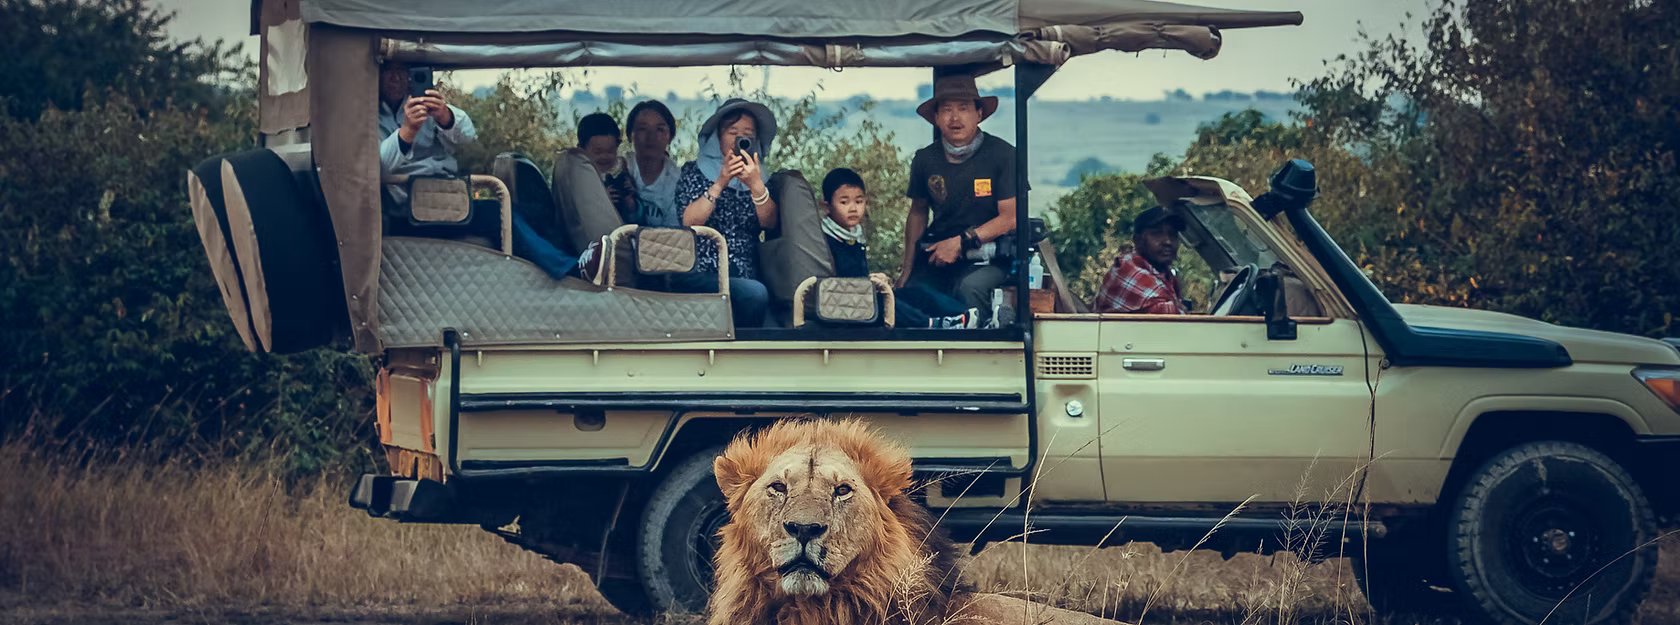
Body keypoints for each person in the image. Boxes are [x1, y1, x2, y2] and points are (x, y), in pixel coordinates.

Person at [376, 61, 580, 280]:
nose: (396, 78)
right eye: (389, 70)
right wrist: (407, 132)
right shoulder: (368, 115)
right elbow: (377, 166)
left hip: (446, 196)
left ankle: (570, 261)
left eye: (403, 70)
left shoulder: (424, 105)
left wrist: (444, 115)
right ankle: (570, 270)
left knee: (525, 209)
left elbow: (468, 134)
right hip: (409, 207)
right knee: (494, 211)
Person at [897, 73, 1022, 324]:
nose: (955, 118)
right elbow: (918, 212)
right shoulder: (925, 159)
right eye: (946, 110)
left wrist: (961, 242)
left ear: (979, 114)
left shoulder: (1003, 155)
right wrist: (907, 268)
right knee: (909, 294)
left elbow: (1011, 218)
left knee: (970, 289)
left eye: (963, 108)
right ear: (936, 118)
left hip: (991, 256)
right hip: (938, 254)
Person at [821, 168, 976, 329]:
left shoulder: (854, 235)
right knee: (882, 302)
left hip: (863, 296)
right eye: (844, 202)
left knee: (916, 293)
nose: (853, 208)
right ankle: (931, 324)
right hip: (846, 305)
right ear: (827, 206)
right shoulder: (826, 240)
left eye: (859, 201)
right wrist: (869, 283)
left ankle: (968, 316)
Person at [672, 98, 778, 328]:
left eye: (748, 133)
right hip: (701, 269)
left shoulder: (761, 177)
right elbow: (689, 221)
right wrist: (721, 181)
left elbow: (770, 223)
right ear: (718, 137)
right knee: (755, 294)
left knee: (775, 326)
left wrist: (756, 185)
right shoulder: (694, 171)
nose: (740, 138)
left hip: (745, 271)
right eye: (732, 132)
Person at [1092, 205, 1189, 314]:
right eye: (1157, 233)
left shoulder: (1163, 274)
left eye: (1172, 234)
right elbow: (1167, 314)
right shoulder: (1127, 269)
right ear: (1137, 240)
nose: (1168, 241)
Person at [624, 100, 681, 227]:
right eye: (642, 129)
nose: (651, 136)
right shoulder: (619, 168)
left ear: (670, 136)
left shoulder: (677, 179)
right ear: (630, 135)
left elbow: (674, 232)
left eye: (660, 130)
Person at [576, 112, 638, 222]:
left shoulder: (621, 172)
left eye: (610, 151)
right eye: (598, 152)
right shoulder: (579, 178)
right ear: (581, 151)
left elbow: (637, 217)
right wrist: (600, 201)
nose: (605, 156)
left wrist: (631, 204)